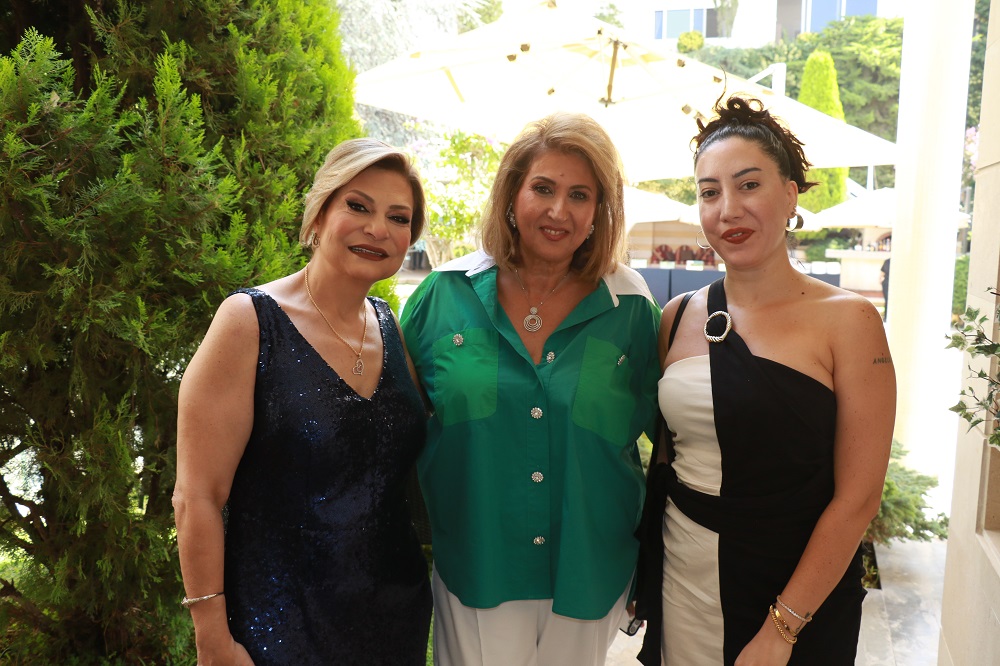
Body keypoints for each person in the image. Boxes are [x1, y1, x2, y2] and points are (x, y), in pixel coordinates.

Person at [635, 96, 896, 666]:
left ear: (790, 195)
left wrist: (783, 628)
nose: (728, 209)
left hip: (797, 591)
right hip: (683, 578)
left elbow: (858, 498)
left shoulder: (850, 321)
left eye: (748, 185)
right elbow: (668, 455)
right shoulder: (676, 316)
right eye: (709, 192)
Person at [400, 112, 661, 666]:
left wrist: (656, 562)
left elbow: (668, 444)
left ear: (600, 210)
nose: (558, 210)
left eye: (579, 195)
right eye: (542, 188)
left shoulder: (633, 310)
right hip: (476, 566)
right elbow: (394, 430)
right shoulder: (441, 297)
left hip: (590, 570)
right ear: (511, 195)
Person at [173, 139, 432, 665]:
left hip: (395, 621)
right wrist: (211, 637)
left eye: (398, 217)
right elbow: (197, 495)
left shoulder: (390, 325)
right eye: (358, 206)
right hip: (280, 626)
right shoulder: (248, 322)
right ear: (318, 215)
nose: (378, 229)